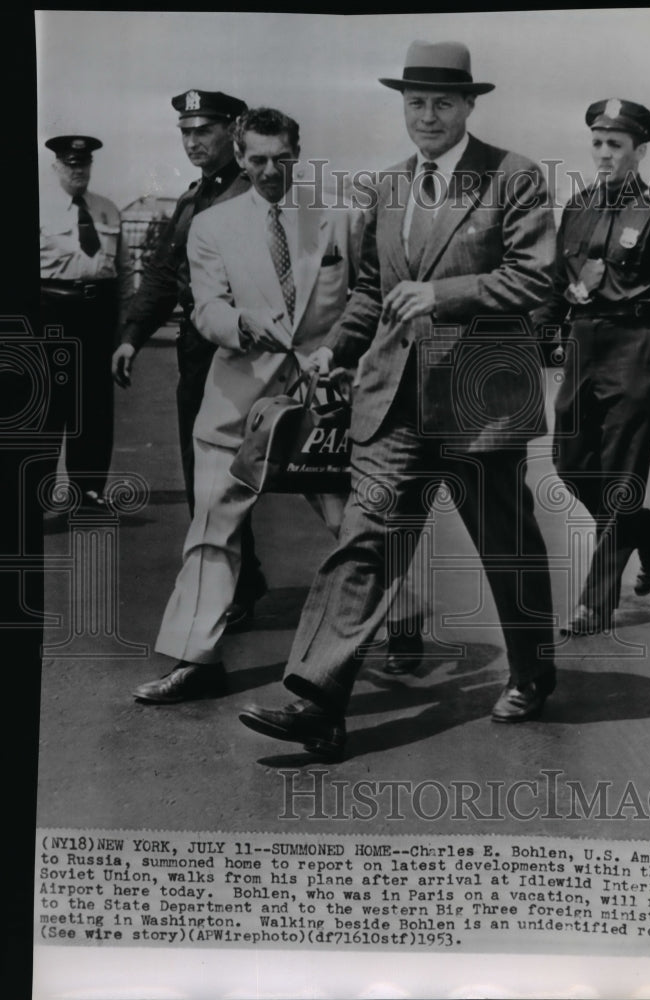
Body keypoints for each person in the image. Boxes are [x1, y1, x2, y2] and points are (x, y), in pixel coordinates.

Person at [238, 40, 558, 760]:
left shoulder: (514, 177)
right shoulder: (385, 188)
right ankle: (317, 701)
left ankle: (534, 670)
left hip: (480, 397)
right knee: (364, 540)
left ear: (470, 105)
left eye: (443, 102)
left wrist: (443, 296)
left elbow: (538, 279)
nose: (428, 115)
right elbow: (372, 293)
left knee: (505, 547)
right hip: (394, 401)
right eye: (415, 103)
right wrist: (336, 348)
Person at [133, 107, 364, 703]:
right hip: (237, 401)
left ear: (298, 154)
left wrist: (339, 357)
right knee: (212, 532)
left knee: (354, 526)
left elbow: (366, 296)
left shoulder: (336, 217)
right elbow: (205, 309)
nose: (269, 171)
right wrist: (240, 323)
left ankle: (400, 625)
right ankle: (195, 660)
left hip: (322, 402)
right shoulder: (213, 226)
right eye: (256, 159)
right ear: (239, 157)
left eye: (281, 159)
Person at [533, 99, 650, 635]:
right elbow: (558, 289)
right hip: (583, 348)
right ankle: (648, 532)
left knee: (619, 481)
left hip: (638, 351)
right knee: (569, 466)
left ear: (639, 151)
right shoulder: (578, 208)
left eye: (616, 145)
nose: (604, 153)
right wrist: (536, 343)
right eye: (597, 143)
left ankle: (594, 602)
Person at [111, 90, 265, 627]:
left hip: (253, 353)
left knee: (296, 482)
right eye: (185, 131)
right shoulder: (191, 199)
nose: (193, 141)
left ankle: (387, 611)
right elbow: (160, 274)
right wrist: (132, 334)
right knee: (207, 474)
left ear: (233, 131)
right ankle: (240, 585)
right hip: (200, 354)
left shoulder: (256, 191)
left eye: (205, 130)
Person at [40, 135, 134, 509]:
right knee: (47, 407)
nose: (77, 171)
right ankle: (36, 496)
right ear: (56, 167)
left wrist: (125, 326)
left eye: (84, 164)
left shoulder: (108, 210)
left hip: (99, 315)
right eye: (69, 164)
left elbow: (125, 272)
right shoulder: (38, 207)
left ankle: (88, 493)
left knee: (93, 407)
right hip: (50, 314)